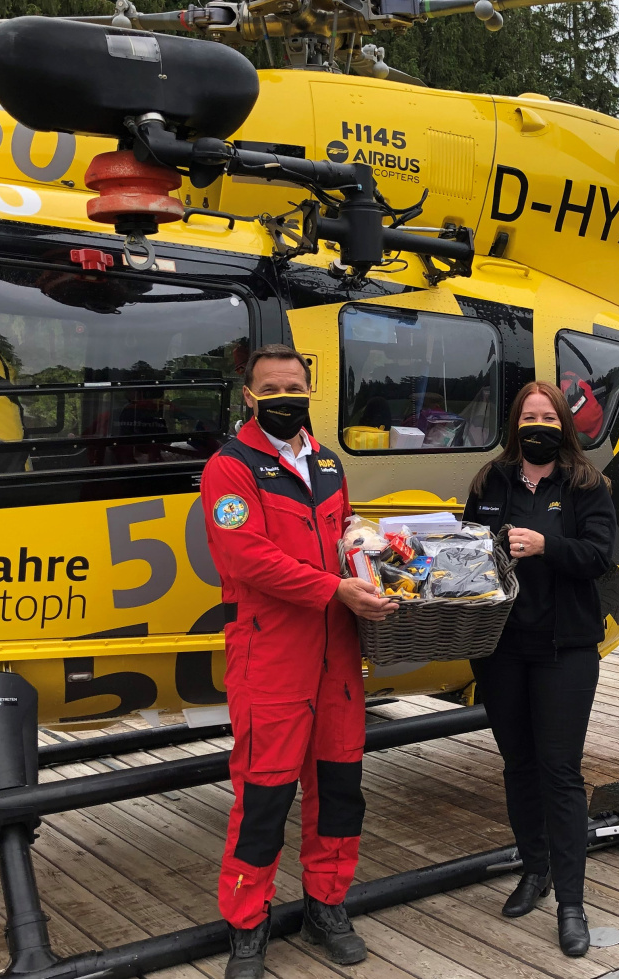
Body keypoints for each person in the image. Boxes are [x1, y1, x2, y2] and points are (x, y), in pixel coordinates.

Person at [200, 344, 397, 979]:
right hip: (273, 655)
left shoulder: (330, 465)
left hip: (337, 655)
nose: (285, 397)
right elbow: (244, 558)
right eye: (271, 388)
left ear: (309, 392)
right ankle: (247, 924)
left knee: (340, 789)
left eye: (295, 387)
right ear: (250, 396)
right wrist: (332, 588)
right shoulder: (230, 469)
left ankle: (326, 905)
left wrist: (366, 560)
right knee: (263, 794)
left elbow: (338, 538)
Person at [463, 380, 617, 957]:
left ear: (563, 425)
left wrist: (547, 545)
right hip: (500, 645)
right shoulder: (490, 481)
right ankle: (535, 867)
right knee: (517, 764)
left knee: (559, 770)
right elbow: (467, 550)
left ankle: (572, 903)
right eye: (528, 416)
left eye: (547, 415)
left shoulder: (585, 484)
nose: (537, 424)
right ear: (514, 425)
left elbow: (600, 557)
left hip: (565, 647)